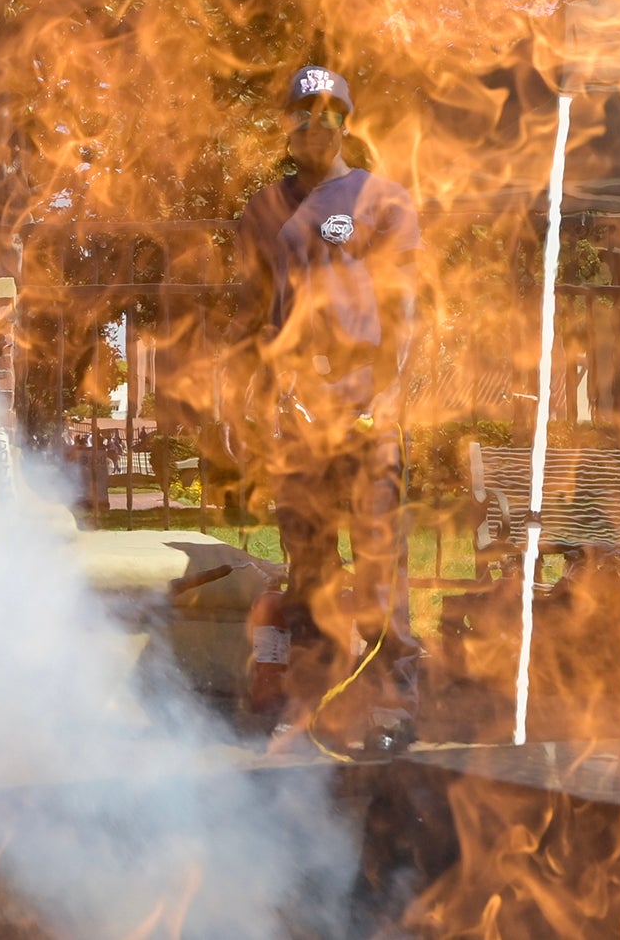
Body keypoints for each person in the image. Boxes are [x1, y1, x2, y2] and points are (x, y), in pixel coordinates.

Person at [233, 66, 423, 757]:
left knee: (379, 566)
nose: (315, 124)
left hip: (365, 410)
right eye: (302, 112)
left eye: (329, 112)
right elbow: (256, 315)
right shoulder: (263, 209)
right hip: (297, 419)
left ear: (347, 120)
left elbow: (404, 310)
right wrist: (266, 393)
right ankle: (309, 702)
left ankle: (392, 703)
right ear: (286, 123)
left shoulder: (382, 200)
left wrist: (388, 396)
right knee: (309, 570)